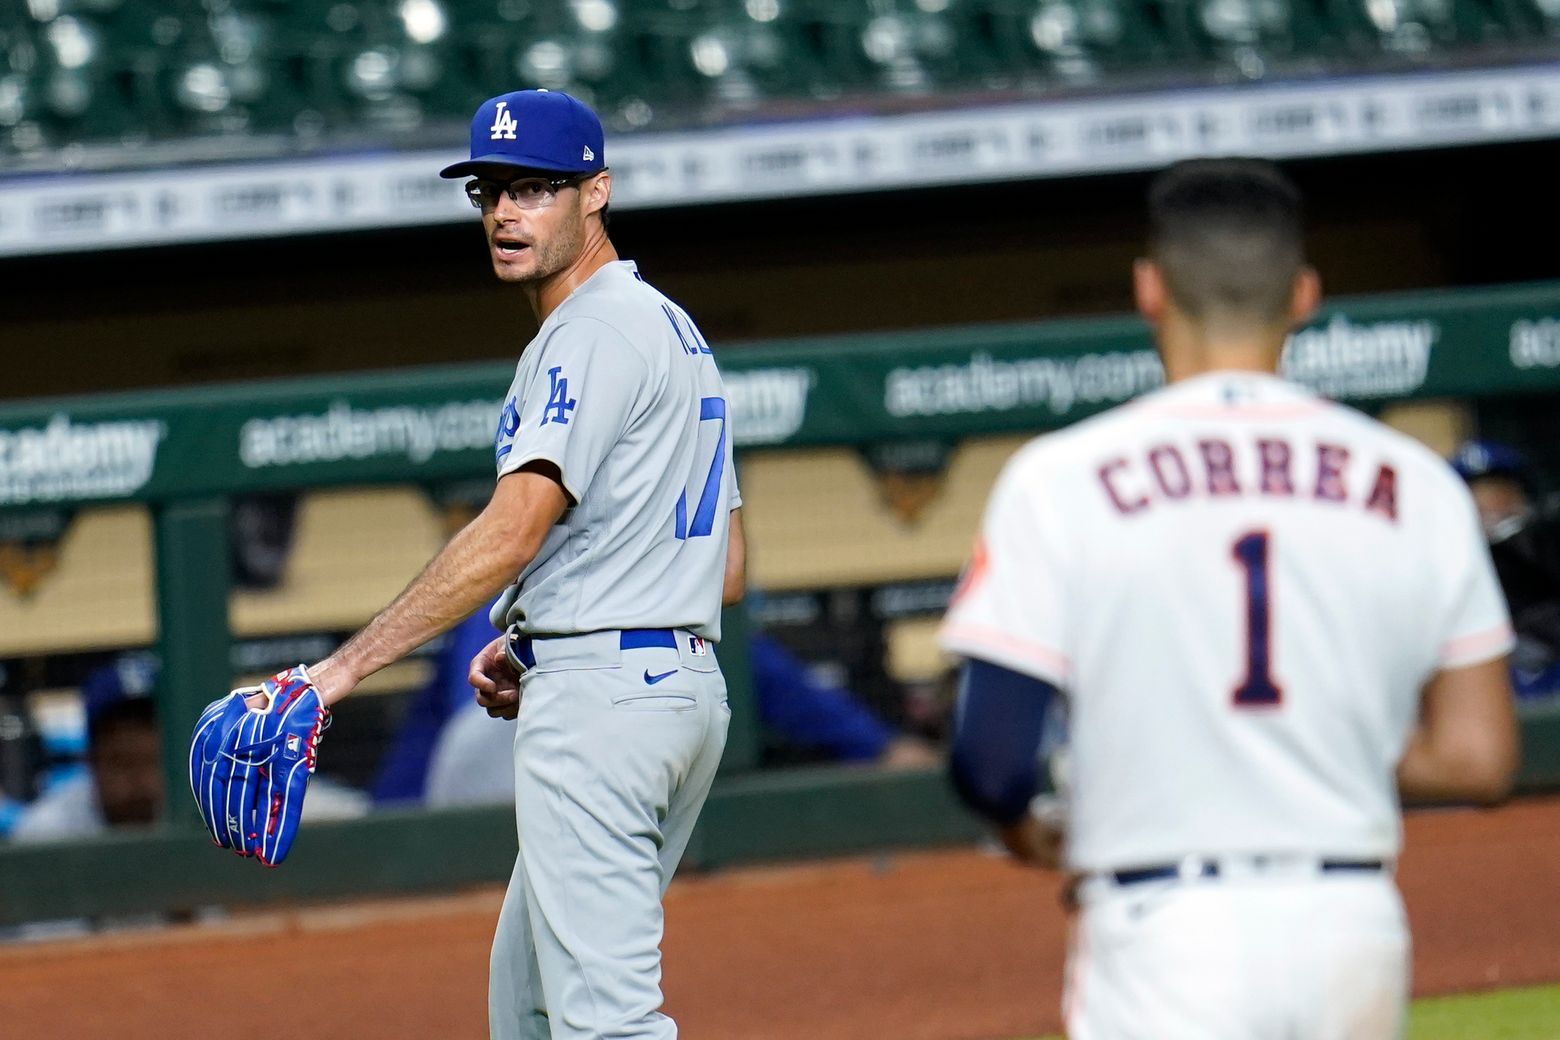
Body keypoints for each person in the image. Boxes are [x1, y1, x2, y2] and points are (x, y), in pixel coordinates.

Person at [939, 158, 1519, 1039]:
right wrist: (1312, 740)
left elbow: (990, 762)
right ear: (1306, 293)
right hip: (1350, 925)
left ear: (1147, 288)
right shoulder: (1415, 481)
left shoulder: (1059, 478)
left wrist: (1035, 835)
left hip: (1165, 925)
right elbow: (1479, 760)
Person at [295, 89, 744, 1040]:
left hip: (607, 710)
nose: (504, 212)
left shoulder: (586, 331)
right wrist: (542, 637)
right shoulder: (671, 326)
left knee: (606, 1024)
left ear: (597, 193)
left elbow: (511, 530)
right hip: (675, 692)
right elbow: (726, 565)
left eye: (535, 188)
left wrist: (337, 674)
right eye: (489, 191)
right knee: (528, 1004)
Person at [1452, 439, 1560, 700]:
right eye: (1477, 501)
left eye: (1502, 496)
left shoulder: (1544, 555)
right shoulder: (1440, 574)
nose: (1491, 511)